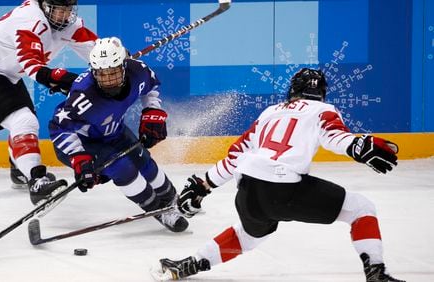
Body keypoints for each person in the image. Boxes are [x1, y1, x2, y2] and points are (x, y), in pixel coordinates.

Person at [152, 68, 404, 282]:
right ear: (322, 92)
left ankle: (188, 265)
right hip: (284, 188)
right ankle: (377, 273)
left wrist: (204, 185)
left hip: (248, 190)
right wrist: (357, 146)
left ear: (292, 91)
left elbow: (236, 155)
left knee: (248, 235)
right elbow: (334, 136)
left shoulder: (270, 112)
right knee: (361, 208)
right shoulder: (323, 109)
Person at [0, 0, 98, 205]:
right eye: (59, 10)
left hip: (7, 73)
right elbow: (33, 66)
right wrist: (66, 79)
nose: (64, 15)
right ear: (43, 6)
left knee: (24, 122)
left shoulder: (68, 24)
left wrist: (122, 63)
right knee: (24, 121)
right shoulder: (30, 19)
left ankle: (19, 170)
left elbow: (95, 50)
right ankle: (36, 180)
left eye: (68, 10)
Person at [48, 36, 188, 232]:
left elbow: (151, 86)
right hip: (82, 143)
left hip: (113, 131)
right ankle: (158, 211)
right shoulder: (84, 95)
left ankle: (173, 198)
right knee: (122, 168)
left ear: (124, 66)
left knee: (143, 160)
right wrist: (80, 159)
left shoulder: (137, 70)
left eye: (112, 73)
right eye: (101, 74)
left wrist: (152, 111)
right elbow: (59, 128)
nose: (107, 80)